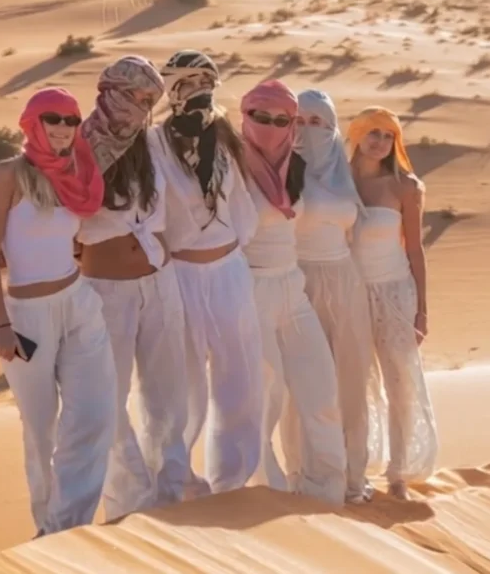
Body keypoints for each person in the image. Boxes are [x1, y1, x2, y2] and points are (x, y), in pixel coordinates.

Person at [0, 87, 117, 536]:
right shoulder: (9, 174)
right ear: (32, 123)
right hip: (26, 317)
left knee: (95, 415)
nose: (62, 128)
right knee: (40, 432)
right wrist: (1, 324)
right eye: (52, 118)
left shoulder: (77, 172)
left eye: (71, 120)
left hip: (78, 304)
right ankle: (47, 528)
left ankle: (68, 527)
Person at [76, 55, 193, 520]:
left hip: (158, 283)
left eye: (149, 99)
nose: (140, 107)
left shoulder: (150, 144)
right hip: (106, 293)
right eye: (132, 96)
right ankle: (128, 501)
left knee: (167, 394)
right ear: (108, 92)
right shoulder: (77, 145)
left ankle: (172, 491)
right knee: (107, 398)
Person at [147, 49, 264, 496]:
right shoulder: (154, 143)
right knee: (181, 382)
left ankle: (233, 479)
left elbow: (243, 205)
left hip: (229, 271)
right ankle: (173, 479)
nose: (201, 93)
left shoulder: (224, 136)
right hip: (181, 277)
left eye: (207, 84)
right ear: (173, 89)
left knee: (241, 373)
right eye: (191, 84)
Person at [239, 80, 346, 506]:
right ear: (245, 117)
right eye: (259, 116)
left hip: (292, 287)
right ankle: (270, 497)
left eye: (281, 119)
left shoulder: (295, 167)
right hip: (252, 287)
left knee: (321, 393)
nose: (269, 126)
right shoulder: (232, 167)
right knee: (266, 399)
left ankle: (328, 494)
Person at [279, 88, 382, 505]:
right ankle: (302, 476)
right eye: (298, 122)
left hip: (346, 281)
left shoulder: (344, 170)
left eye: (317, 122)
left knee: (351, 380)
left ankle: (352, 475)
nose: (307, 130)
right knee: (302, 385)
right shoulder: (282, 168)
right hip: (298, 281)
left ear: (332, 126)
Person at [346, 106, 439, 500]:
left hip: (396, 293)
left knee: (399, 379)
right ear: (358, 135)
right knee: (356, 381)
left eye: (388, 135)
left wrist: (422, 310)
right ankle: (358, 465)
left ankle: (399, 472)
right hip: (350, 293)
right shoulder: (337, 182)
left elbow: (415, 249)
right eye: (374, 133)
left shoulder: (406, 187)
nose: (381, 142)